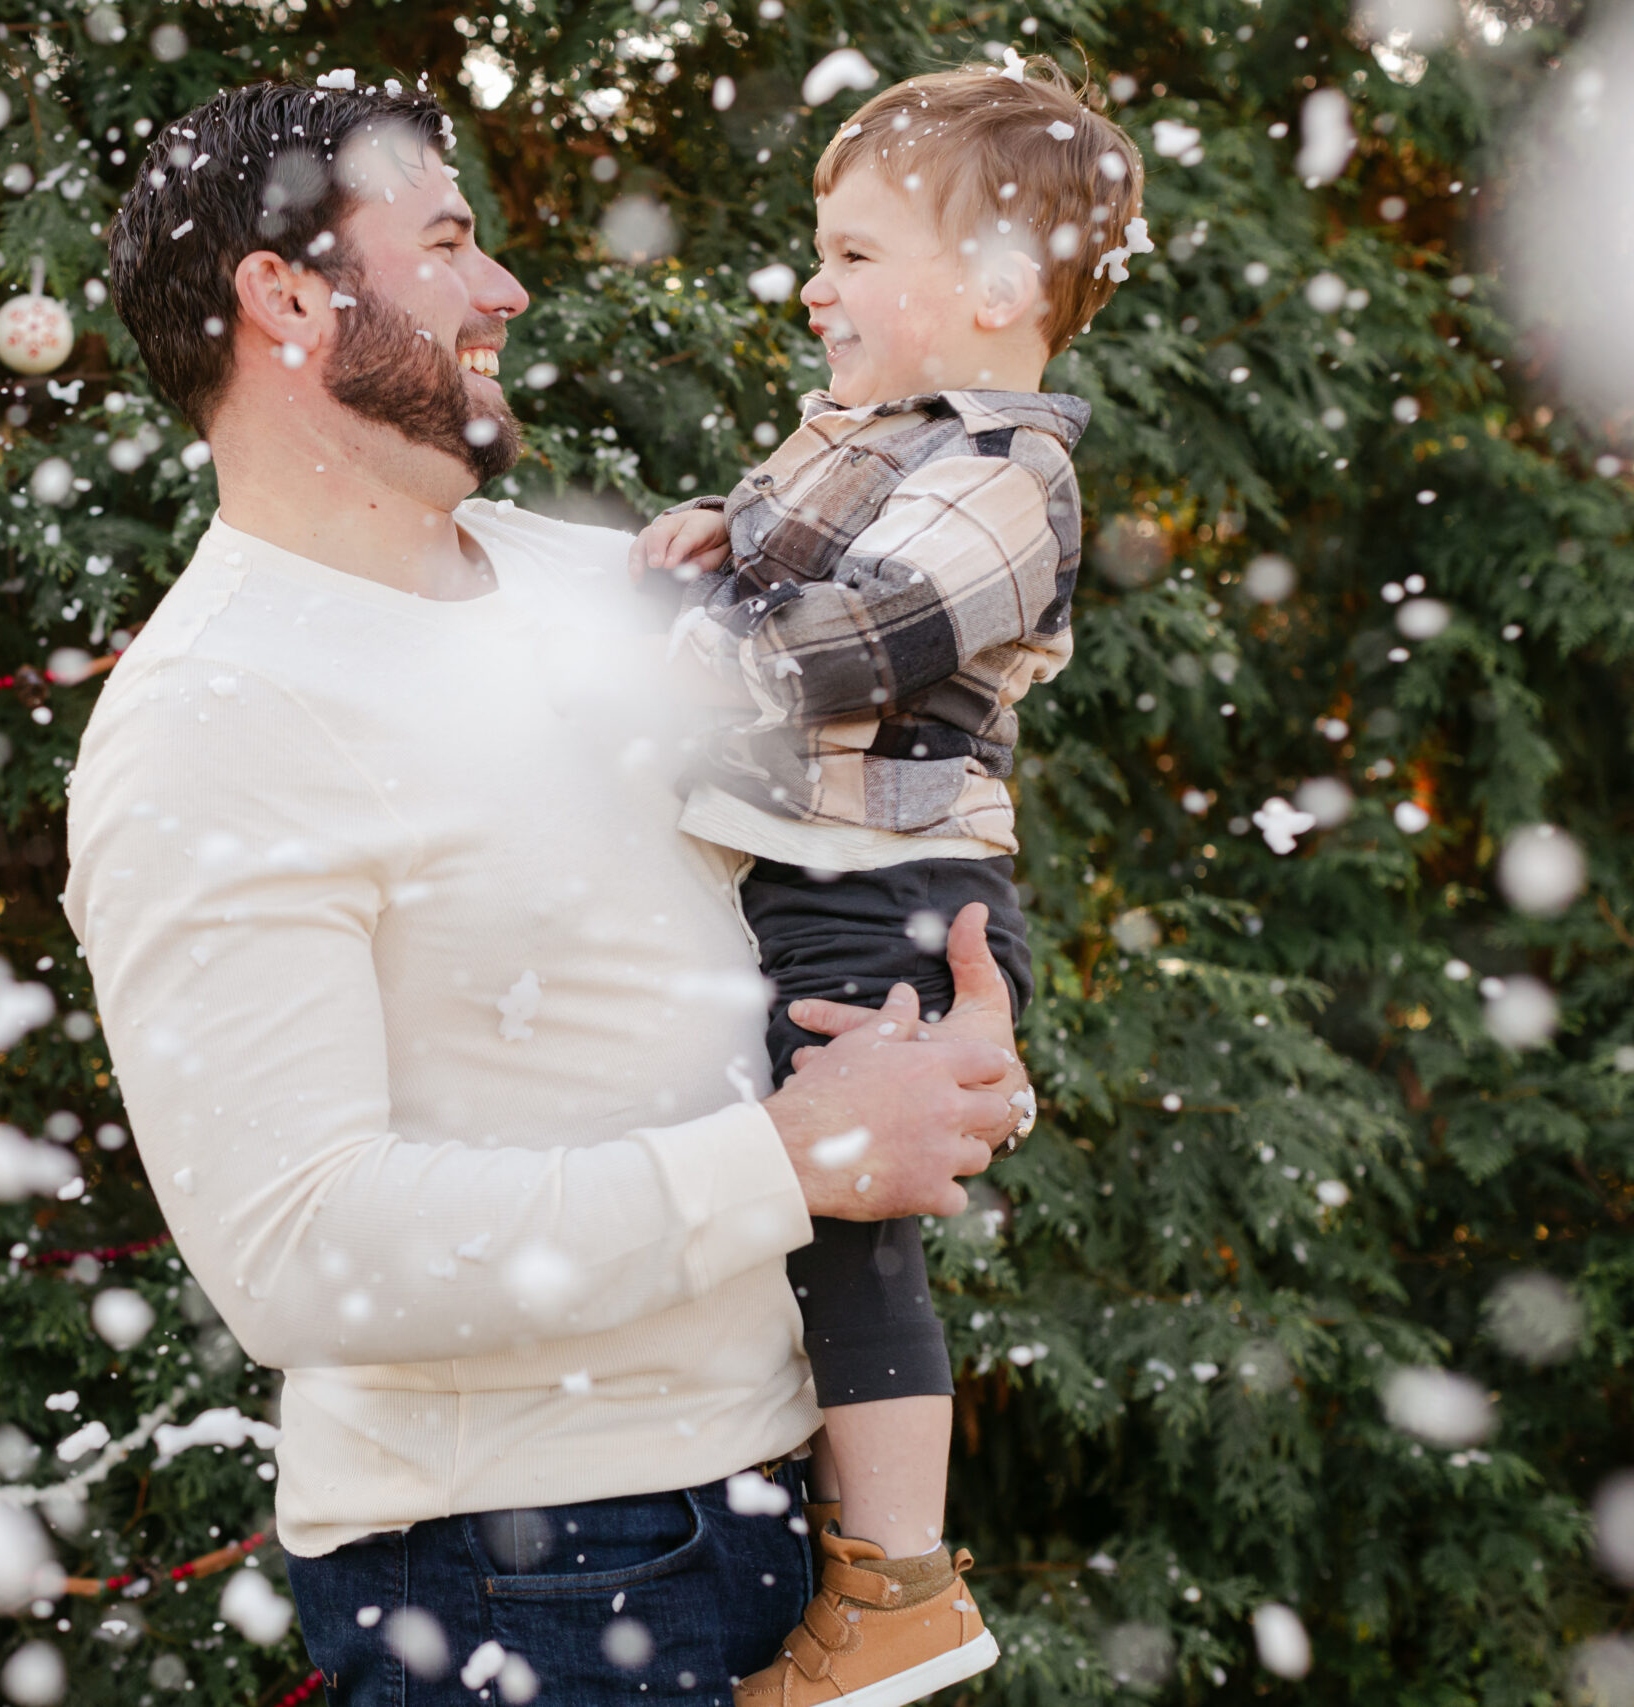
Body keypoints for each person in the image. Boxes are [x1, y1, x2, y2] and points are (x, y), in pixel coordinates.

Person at [66, 78, 1026, 1706]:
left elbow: (847, 852)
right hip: (521, 1577)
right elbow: (303, 1255)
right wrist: (793, 1157)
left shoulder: (606, 582)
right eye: (447, 243)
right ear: (285, 297)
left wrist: (939, 1048)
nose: (505, 288)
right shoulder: (209, 721)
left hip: (789, 1511)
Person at [628, 55, 1147, 1707]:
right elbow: (807, 564)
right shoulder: (883, 443)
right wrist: (717, 529)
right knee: (796, 1203)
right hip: (832, 874)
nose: (815, 285)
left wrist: (652, 659)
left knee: (850, 1229)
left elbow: (845, 649)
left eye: (856, 254)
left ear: (993, 287)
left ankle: (899, 1585)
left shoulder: (1007, 477)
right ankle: (852, 1553)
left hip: (896, 888)